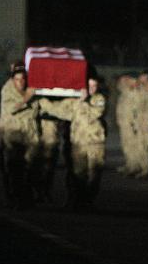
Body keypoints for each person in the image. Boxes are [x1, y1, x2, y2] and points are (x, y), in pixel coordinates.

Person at [39, 75, 107, 209]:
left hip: (95, 143)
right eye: (89, 86)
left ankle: (88, 199)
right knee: (78, 173)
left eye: (94, 86)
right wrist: (41, 97)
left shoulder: (99, 99)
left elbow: (94, 113)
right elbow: (58, 109)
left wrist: (82, 101)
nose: (91, 89)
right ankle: (79, 200)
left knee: (94, 174)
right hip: (78, 143)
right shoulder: (75, 101)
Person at [0, 64, 40, 209]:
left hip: (30, 136)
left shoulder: (32, 92)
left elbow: (46, 106)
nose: (21, 82)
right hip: (13, 136)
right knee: (15, 169)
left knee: (31, 169)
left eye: (23, 79)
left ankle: (26, 198)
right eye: (17, 79)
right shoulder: (7, 91)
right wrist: (28, 96)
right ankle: (15, 198)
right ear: (12, 80)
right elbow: (12, 108)